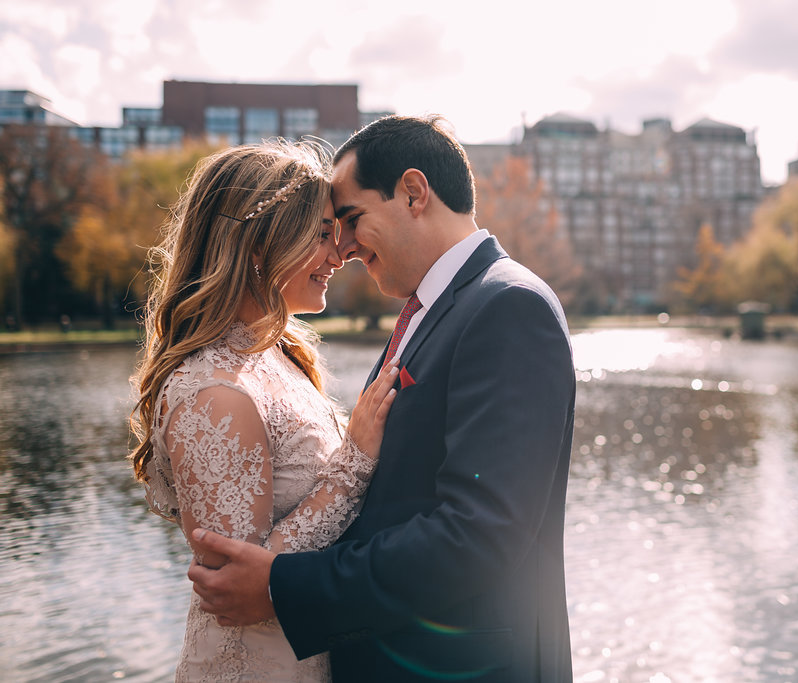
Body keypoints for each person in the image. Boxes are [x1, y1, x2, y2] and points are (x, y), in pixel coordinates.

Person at [189, 115, 577, 681]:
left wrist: (283, 587)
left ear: (414, 193)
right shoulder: (432, 310)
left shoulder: (508, 306)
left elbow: (478, 533)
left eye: (350, 219)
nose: (340, 248)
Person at [128, 139, 398, 681]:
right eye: (322, 234)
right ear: (259, 246)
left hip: (308, 650)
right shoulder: (213, 395)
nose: (340, 252)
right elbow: (238, 583)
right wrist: (357, 459)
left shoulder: (279, 354)